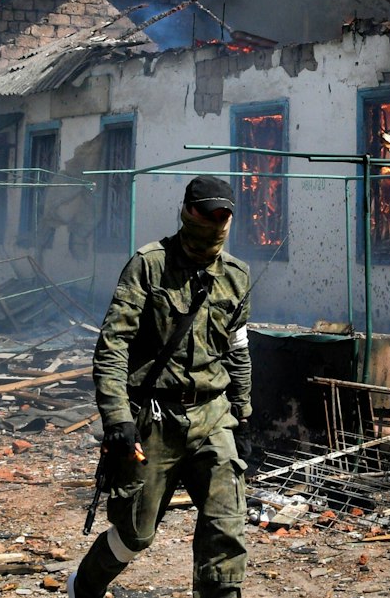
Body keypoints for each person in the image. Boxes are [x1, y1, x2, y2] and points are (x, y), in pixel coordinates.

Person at [67, 175, 254, 598]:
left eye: (223, 215)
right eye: (207, 213)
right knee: (135, 532)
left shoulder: (237, 276)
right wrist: (118, 419)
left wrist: (243, 415)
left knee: (226, 531)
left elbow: (238, 349)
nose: (216, 223)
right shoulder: (149, 265)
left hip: (213, 416)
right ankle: (85, 587)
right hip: (154, 419)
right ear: (188, 212)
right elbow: (113, 344)